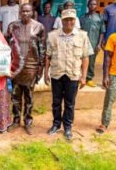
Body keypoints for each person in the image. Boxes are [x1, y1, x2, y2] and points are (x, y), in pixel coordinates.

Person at [45, 9, 92, 140]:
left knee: (70, 103)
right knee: (56, 102)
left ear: (75, 20)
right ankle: (56, 124)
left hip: (73, 74)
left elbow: (85, 57)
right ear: (61, 20)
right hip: (56, 74)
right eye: (66, 19)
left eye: (71, 19)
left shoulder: (82, 36)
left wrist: (83, 76)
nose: (69, 22)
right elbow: (48, 56)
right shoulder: (52, 35)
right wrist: (45, 73)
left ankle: (67, 127)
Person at [7, 4, 45, 135]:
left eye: (28, 11)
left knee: (29, 97)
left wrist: (41, 68)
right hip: (16, 67)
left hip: (31, 67)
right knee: (15, 96)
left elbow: (42, 49)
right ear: (19, 12)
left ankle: (28, 122)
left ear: (32, 12)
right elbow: (7, 47)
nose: (25, 13)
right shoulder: (13, 26)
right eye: (23, 11)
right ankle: (16, 120)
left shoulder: (39, 27)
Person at [79, 0, 105, 87]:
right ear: (87, 6)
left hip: (94, 43)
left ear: (97, 6)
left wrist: (99, 44)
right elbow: (79, 30)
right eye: (90, 4)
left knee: (91, 61)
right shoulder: (82, 17)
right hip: (83, 43)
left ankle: (89, 79)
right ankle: (81, 77)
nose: (92, 6)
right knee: (80, 60)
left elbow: (102, 31)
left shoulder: (100, 18)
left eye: (94, 4)